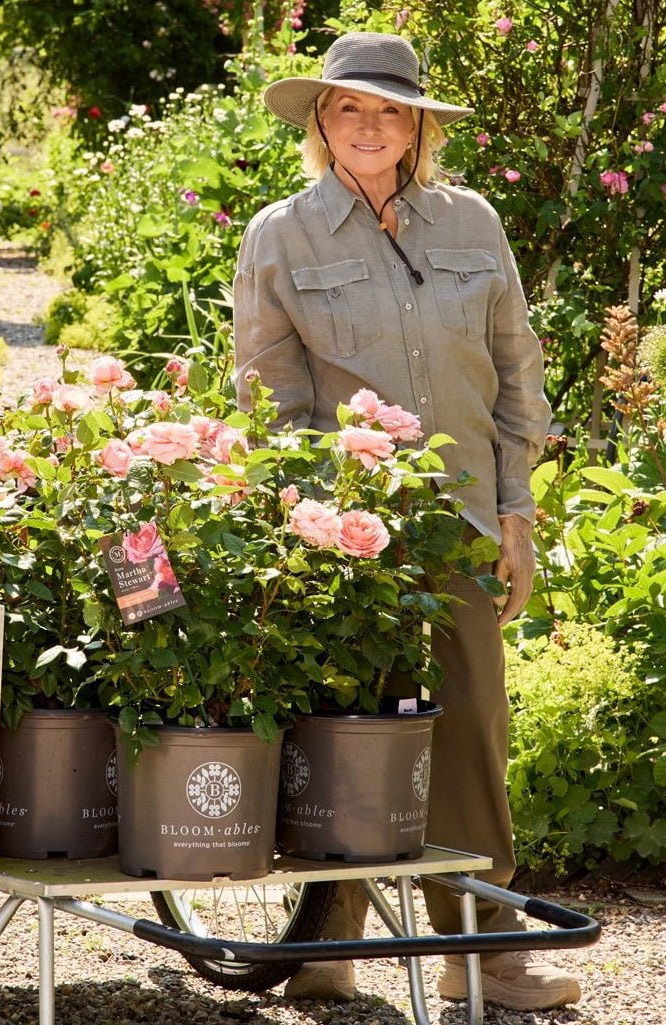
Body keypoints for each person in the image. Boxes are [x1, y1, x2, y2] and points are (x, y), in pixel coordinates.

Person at [233, 31, 581, 1011]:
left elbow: (516, 375)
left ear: (418, 125)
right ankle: (326, 947)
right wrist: (302, 517)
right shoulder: (280, 234)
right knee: (343, 733)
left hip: (463, 521)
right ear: (319, 121)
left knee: (468, 729)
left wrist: (516, 511)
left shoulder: (470, 224)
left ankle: (483, 955)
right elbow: (265, 396)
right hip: (342, 535)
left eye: (389, 109)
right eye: (348, 107)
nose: (368, 126)